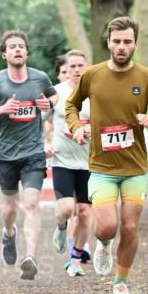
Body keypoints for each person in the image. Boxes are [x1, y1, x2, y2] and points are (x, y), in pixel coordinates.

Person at [65, 15, 148, 294]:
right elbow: (71, 104)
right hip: (102, 167)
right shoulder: (92, 75)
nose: (122, 46)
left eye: (127, 41)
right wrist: (77, 127)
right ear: (109, 43)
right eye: (117, 41)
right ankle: (102, 245)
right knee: (106, 227)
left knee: (129, 226)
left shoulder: (146, 77)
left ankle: (121, 284)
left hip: (136, 168)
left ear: (135, 43)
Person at [0, 30, 57, 280]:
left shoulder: (39, 78)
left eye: (21, 46)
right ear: (4, 54)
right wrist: (2, 109)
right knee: (10, 206)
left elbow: (54, 95)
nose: (17, 50)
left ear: (27, 52)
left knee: (31, 204)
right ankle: (8, 233)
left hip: (33, 152)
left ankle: (30, 257)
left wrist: (49, 105)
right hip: (6, 155)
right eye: (12, 47)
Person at [48, 50, 92, 277]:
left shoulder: (96, 93)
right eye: (72, 66)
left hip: (89, 162)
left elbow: (106, 123)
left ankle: (74, 259)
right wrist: (43, 144)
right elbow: (40, 121)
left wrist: (90, 129)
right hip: (62, 160)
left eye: (80, 66)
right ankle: (61, 226)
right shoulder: (56, 93)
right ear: (66, 68)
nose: (76, 70)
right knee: (66, 209)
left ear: (87, 67)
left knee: (84, 212)